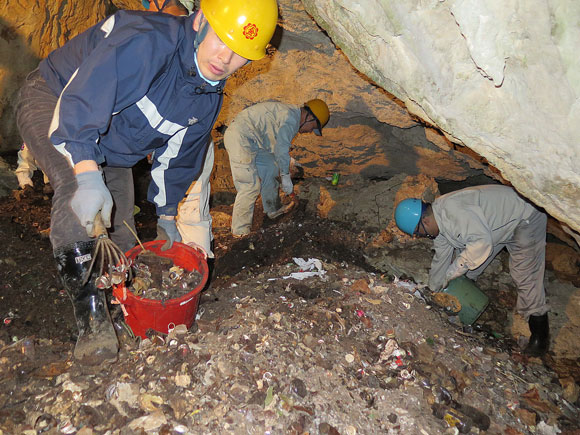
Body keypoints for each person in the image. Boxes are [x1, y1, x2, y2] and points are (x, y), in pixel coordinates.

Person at [15, 0, 278, 365]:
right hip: (57, 98)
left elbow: (181, 157)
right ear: (201, 20)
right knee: (77, 189)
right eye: (222, 40)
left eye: (240, 55)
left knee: (122, 229)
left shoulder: (207, 96)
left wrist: (167, 213)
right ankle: (91, 317)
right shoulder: (148, 39)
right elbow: (86, 97)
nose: (225, 59)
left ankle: (121, 308)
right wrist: (88, 171)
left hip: (112, 144)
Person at [394, 185, 550, 357]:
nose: (422, 237)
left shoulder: (454, 213)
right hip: (496, 226)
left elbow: (481, 244)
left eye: (419, 233)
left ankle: (539, 335)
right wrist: (433, 291)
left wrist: (452, 273)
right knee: (465, 271)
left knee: (524, 274)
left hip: (524, 217)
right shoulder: (439, 223)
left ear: (425, 221)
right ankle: (470, 301)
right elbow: (441, 259)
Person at [224, 99, 330, 237]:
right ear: (309, 117)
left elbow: (276, 146)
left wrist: (286, 165)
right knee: (250, 186)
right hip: (240, 138)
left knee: (271, 167)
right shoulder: (291, 119)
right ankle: (240, 232)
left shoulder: (289, 115)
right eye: (312, 127)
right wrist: (285, 176)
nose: (309, 131)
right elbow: (281, 149)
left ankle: (272, 209)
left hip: (254, 141)